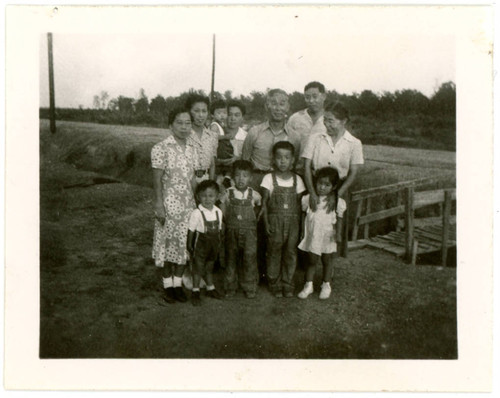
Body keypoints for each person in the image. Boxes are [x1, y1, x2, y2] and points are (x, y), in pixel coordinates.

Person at [151, 107, 197, 304]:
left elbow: (193, 179)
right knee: (168, 246)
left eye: (188, 123)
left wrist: (201, 203)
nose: (184, 127)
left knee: (184, 246)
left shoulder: (193, 149)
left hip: (189, 204)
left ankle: (178, 285)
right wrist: (159, 205)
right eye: (180, 123)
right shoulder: (161, 148)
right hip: (169, 205)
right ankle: (167, 286)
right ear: (170, 125)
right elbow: (157, 180)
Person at [261, 141, 306, 297]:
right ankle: (274, 282)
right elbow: (264, 205)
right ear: (273, 159)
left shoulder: (298, 180)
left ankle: (288, 282)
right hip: (275, 221)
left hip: (293, 222)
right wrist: (266, 223)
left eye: (287, 157)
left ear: (293, 160)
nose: (283, 161)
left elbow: (301, 207)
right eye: (279, 157)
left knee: (291, 252)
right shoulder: (268, 178)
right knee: (274, 251)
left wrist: (301, 227)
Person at [301, 101, 364, 212]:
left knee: (335, 224)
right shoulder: (315, 138)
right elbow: (306, 166)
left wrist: (336, 195)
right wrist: (312, 193)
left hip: (340, 189)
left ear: (343, 121)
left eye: (331, 121)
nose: (326, 124)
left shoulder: (354, 143)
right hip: (316, 188)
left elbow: (353, 172)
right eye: (324, 119)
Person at [297, 167, 346, 300]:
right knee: (311, 260)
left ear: (334, 186)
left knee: (327, 260)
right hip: (313, 235)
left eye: (327, 185)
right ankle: (308, 285)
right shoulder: (308, 199)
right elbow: (303, 216)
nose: (322, 187)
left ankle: (326, 284)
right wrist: (302, 231)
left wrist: (339, 234)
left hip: (328, 235)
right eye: (320, 183)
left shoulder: (337, 202)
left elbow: (339, 218)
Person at [242, 89, 301, 191]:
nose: (278, 108)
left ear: (287, 107)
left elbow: (294, 164)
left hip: (282, 184)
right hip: (256, 182)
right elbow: (244, 161)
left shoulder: (294, 137)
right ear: (266, 106)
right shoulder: (254, 132)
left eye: (282, 104)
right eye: (273, 103)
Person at [219, 160, 262, 299]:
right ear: (232, 177)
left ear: (250, 178)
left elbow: (258, 210)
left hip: (249, 233)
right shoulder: (228, 193)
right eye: (237, 175)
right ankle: (230, 287)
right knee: (231, 259)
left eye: (245, 176)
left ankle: (250, 287)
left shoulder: (254, 195)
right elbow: (223, 211)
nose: (241, 179)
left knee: (249, 259)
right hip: (232, 231)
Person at [187, 180, 224, 306]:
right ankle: (195, 291)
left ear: (217, 196)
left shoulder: (218, 211)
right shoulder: (197, 213)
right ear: (198, 197)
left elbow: (219, 230)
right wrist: (189, 245)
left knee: (209, 267)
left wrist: (219, 245)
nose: (207, 199)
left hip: (213, 245)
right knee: (198, 268)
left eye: (211, 196)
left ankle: (210, 288)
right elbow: (191, 231)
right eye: (204, 196)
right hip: (201, 246)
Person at [287, 81, 327, 173]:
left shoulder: (331, 119)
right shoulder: (295, 118)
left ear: (324, 96)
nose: (311, 101)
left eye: (315, 96)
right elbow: (288, 146)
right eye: (307, 97)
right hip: (298, 171)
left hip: (323, 173)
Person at [216, 100, 248, 188]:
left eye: (237, 115)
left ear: (242, 118)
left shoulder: (246, 137)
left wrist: (237, 159)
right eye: (229, 114)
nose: (232, 118)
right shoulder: (218, 133)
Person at [186, 94, 218, 184]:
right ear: (189, 112)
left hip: (205, 183)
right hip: (186, 182)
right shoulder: (184, 135)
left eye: (204, 111)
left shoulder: (213, 136)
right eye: (196, 111)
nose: (201, 115)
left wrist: (210, 185)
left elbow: (212, 165)